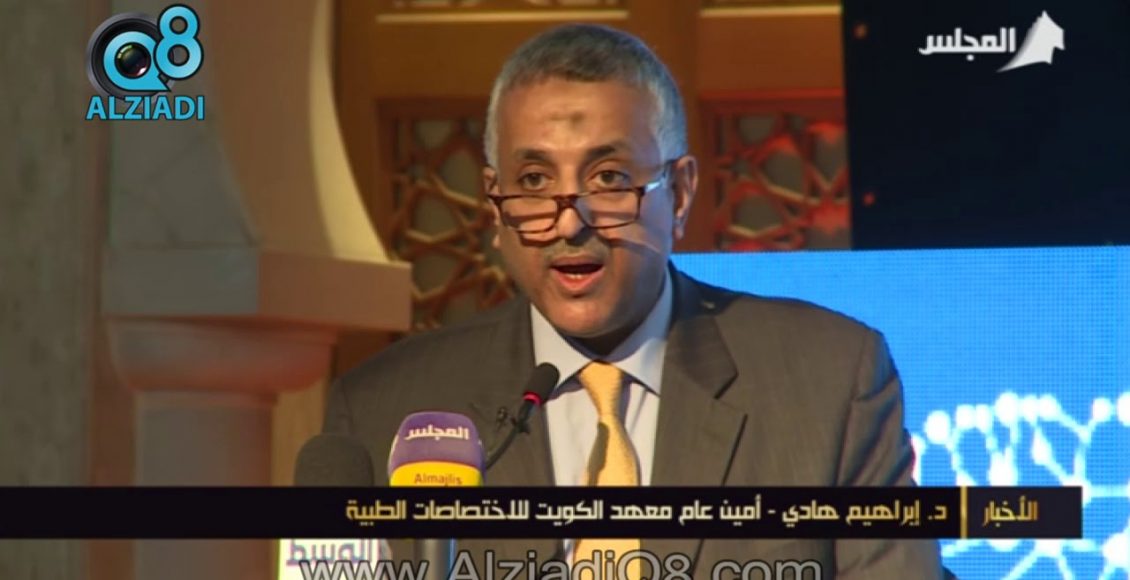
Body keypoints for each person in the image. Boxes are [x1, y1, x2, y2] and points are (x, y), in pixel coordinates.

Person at [323, 23, 948, 579]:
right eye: (534, 181)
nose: (570, 222)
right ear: (494, 204)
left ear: (680, 193)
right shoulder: (385, 411)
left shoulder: (829, 382)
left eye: (610, 179)